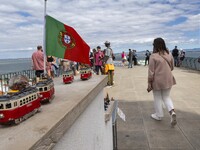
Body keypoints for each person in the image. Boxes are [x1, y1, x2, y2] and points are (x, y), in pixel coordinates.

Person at [147, 37, 177, 127]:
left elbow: (151, 72)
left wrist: (149, 82)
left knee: (157, 97)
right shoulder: (169, 54)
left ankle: (159, 115)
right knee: (166, 97)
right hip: (168, 79)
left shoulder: (153, 56)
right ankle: (172, 112)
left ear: (155, 46)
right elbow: (172, 67)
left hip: (157, 81)